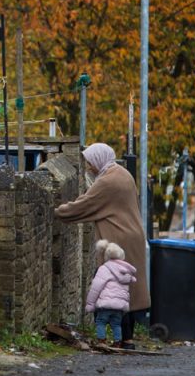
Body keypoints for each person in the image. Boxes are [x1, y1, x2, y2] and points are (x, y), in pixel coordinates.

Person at [55, 142, 151, 349]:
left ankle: (122, 341)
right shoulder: (123, 173)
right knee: (128, 288)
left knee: (115, 289)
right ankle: (127, 339)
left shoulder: (108, 181)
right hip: (132, 236)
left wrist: (58, 211)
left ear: (99, 159)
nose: (89, 167)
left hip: (119, 239)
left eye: (90, 162)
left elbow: (84, 205)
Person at [86, 239, 136, 347]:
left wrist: (90, 304)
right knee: (116, 324)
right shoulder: (125, 271)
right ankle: (118, 342)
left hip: (105, 304)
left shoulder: (103, 269)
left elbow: (96, 288)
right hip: (120, 306)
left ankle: (101, 341)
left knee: (100, 322)